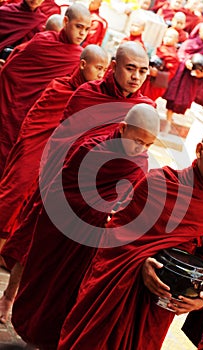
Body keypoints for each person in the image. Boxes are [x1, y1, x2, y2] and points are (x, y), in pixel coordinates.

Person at [1, 40, 153, 326]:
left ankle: (52, 318)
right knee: (33, 239)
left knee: (74, 260)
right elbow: (63, 140)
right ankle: (10, 296)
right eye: (130, 68)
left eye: (143, 71)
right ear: (113, 67)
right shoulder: (87, 94)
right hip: (64, 182)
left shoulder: (144, 107)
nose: (136, 76)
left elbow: (140, 154)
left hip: (104, 194)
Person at [56, 124, 203, 350]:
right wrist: (139, 263)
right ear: (200, 150)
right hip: (116, 291)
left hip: (157, 305)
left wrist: (200, 297)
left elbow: (201, 263)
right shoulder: (159, 182)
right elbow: (114, 236)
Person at [12, 103, 160, 350]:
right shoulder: (90, 149)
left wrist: (116, 217)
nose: (141, 149)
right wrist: (99, 212)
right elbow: (63, 192)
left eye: (148, 145)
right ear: (123, 129)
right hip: (62, 234)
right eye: (137, 141)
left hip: (92, 244)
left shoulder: (140, 162)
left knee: (70, 298)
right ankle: (31, 335)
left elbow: (128, 201)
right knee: (46, 286)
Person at [0, 44, 109, 271]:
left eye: (104, 70)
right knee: (18, 186)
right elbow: (35, 122)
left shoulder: (95, 98)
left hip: (57, 160)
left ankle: (12, 252)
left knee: (35, 203)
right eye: (98, 68)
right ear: (82, 65)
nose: (101, 74)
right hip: (36, 148)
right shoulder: (59, 87)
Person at [0, 3, 91, 179]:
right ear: (66, 22)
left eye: (86, 29)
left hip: (40, 118)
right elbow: (12, 70)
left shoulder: (80, 59)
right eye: (79, 27)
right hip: (14, 109)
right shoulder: (43, 40)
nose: (83, 33)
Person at [163, 21, 203, 127]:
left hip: (192, 79)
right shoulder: (190, 43)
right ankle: (168, 120)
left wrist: (202, 72)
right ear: (200, 32)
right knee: (173, 100)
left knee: (184, 101)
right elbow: (180, 55)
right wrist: (186, 61)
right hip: (182, 76)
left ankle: (171, 120)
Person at [141, 27, 179, 102]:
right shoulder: (158, 47)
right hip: (146, 78)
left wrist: (157, 74)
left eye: (170, 37)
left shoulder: (173, 57)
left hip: (155, 83)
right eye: (165, 36)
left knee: (146, 101)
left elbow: (171, 74)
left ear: (176, 40)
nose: (166, 38)